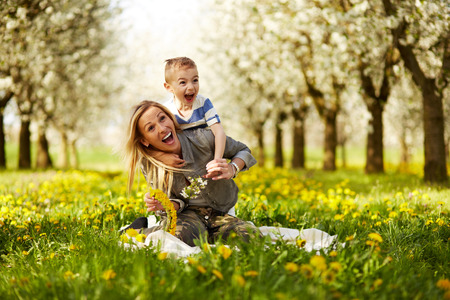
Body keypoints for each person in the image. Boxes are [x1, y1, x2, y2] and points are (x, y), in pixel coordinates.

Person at [123, 100, 259, 247]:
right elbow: (174, 204)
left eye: (162, 118)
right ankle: (138, 231)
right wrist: (163, 205)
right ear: (144, 141)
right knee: (181, 238)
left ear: (170, 117)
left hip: (219, 212)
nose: (162, 128)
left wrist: (233, 168)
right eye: (151, 128)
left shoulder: (203, 139)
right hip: (185, 215)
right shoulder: (151, 165)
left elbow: (243, 150)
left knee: (251, 237)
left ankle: (206, 234)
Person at [154, 57, 226, 169]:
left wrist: (217, 160)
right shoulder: (166, 110)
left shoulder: (203, 103)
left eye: (195, 80)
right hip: (184, 159)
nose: (191, 87)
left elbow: (219, 131)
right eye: (183, 82)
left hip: (204, 152)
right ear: (169, 87)